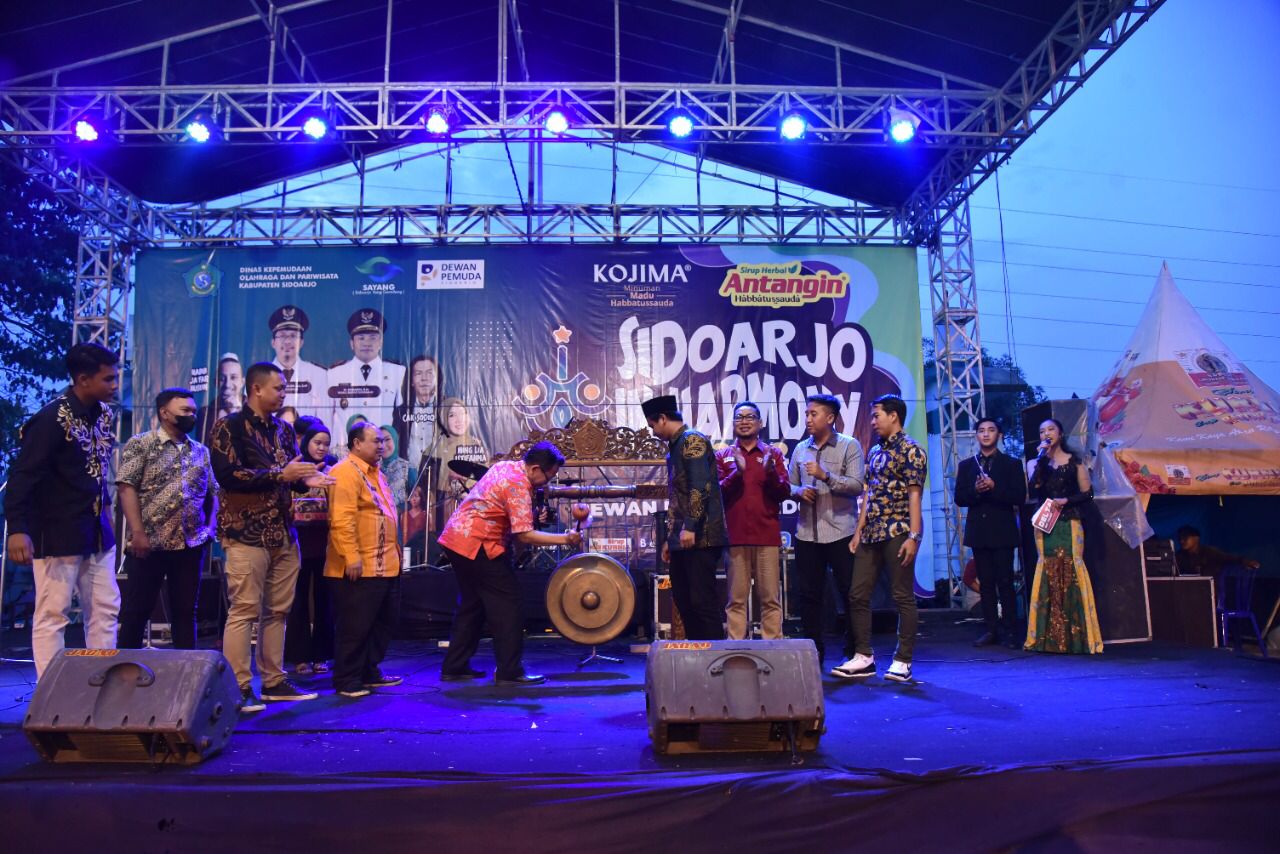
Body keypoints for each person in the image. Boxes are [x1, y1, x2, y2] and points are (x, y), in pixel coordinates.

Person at [209, 362, 334, 711]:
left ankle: (274, 681)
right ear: (256, 389)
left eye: (284, 388)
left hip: (283, 531)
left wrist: (305, 480)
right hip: (245, 532)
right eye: (278, 388)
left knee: (277, 611)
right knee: (244, 610)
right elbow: (228, 475)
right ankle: (238, 687)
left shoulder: (284, 429)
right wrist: (282, 474)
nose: (283, 394)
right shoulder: (229, 426)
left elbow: (288, 475)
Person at [4, 343, 121, 679]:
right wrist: (18, 528)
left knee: (105, 609)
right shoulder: (50, 419)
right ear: (83, 379)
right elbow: (23, 476)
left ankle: (101, 685)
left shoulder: (103, 414)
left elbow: (96, 470)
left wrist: (106, 513)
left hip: (96, 531)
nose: (115, 385)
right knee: (54, 613)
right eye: (108, 379)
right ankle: (50, 692)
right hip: (57, 530)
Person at [437, 442, 582, 685]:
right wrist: (566, 538)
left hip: (455, 540)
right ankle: (509, 672)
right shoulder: (518, 485)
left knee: (472, 604)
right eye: (548, 477)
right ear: (535, 469)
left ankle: (455, 666)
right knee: (508, 605)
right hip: (477, 545)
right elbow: (524, 535)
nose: (547, 483)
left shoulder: (505, 466)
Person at [116, 388, 217, 651]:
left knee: (186, 612)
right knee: (136, 611)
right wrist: (138, 532)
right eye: (185, 410)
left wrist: (211, 527)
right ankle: (125, 667)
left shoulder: (200, 451)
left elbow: (213, 492)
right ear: (165, 413)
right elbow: (126, 487)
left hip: (190, 544)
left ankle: (186, 670)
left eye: (193, 411)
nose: (192, 415)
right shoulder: (142, 443)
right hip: (149, 543)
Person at [837, 394, 926, 682]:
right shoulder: (875, 451)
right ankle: (864, 656)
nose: (873, 421)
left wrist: (914, 536)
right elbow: (868, 493)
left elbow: (915, 496)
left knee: (902, 596)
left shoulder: (912, 450)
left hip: (898, 530)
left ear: (893, 416)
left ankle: (903, 660)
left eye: (877, 415)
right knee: (857, 594)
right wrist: (858, 530)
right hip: (871, 532)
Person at [324, 422, 404, 699]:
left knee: (382, 622)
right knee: (354, 627)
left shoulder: (376, 473)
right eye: (375, 441)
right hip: (359, 566)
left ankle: (369, 671)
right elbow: (341, 519)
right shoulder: (345, 471)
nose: (381, 446)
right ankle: (347, 679)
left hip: (385, 564)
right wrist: (351, 557)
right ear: (357, 444)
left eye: (382, 441)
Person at [787, 393, 865, 664]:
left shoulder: (849, 445)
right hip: (807, 533)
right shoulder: (800, 449)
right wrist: (798, 491)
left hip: (841, 532)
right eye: (806, 414)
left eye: (813, 414)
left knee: (849, 593)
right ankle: (813, 651)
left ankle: (855, 650)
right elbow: (788, 484)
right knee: (809, 596)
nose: (808, 419)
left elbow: (857, 485)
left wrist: (826, 476)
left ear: (830, 418)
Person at [643, 395, 728, 641]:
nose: (653, 432)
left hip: (702, 535)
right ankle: (696, 652)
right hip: (683, 537)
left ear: (663, 418)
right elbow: (677, 498)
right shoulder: (675, 446)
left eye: (653, 425)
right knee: (683, 598)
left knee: (702, 600)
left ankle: (713, 655)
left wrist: (690, 526)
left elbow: (698, 488)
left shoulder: (692, 440)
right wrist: (671, 539)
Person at [1023, 418, 1103, 654]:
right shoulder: (1035, 463)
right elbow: (1033, 489)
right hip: (1045, 524)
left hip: (1069, 521)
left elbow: (1088, 494)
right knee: (1047, 568)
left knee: (1071, 568)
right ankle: (1045, 637)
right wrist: (1040, 459)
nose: (1046, 434)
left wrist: (1066, 500)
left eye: (1050, 429)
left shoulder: (1074, 462)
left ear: (1060, 434)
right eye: (1042, 431)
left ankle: (1078, 637)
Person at [715, 401, 791, 640]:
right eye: (739, 417)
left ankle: (773, 647)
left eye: (750, 417)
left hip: (766, 536)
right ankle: (735, 648)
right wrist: (736, 473)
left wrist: (770, 473)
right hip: (735, 537)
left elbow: (784, 492)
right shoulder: (723, 455)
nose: (744, 421)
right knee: (736, 600)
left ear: (760, 423)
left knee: (770, 598)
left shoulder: (773, 454)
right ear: (733, 423)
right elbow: (716, 494)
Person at [954, 417, 1027, 649]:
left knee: (1005, 582)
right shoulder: (967, 465)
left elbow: (1019, 496)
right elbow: (959, 498)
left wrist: (995, 488)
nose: (985, 434)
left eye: (991, 430)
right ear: (976, 435)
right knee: (985, 583)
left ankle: (1011, 631)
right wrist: (976, 490)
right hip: (979, 532)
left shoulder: (1011, 464)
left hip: (1003, 530)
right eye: (981, 430)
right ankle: (991, 629)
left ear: (999, 435)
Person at [285, 416, 337, 676]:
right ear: (306, 442)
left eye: (326, 443)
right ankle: (299, 656)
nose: (322, 448)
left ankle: (321, 655)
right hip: (298, 541)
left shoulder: (334, 468)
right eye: (317, 442)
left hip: (326, 542)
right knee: (298, 600)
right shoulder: (295, 468)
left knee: (324, 599)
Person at [327, 308, 405, 434]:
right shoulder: (334, 374)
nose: (367, 343)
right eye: (361, 338)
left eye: (373, 338)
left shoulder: (398, 372)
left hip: (381, 443)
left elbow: (403, 417)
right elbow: (328, 416)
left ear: (380, 342)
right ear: (352, 343)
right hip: (346, 444)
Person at [429, 398, 489, 531]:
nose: (459, 419)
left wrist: (466, 488)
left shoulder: (477, 446)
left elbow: (484, 478)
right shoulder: (434, 449)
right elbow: (429, 485)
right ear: (444, 420)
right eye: (452, 415)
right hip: (443, 510)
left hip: (472, 508)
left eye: (462, 413)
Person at [268, 304, 329, 419]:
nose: (287, 341)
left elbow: (325, 420)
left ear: (301, 342)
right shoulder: (260, 376)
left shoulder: (319, 375)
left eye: (293, 336)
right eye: (282, 336)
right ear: (273, 342)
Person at [393, 355, 440, 471]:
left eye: (429, 373)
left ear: (437, 378)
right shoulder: (401, 411)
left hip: (437, 473)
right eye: (418, 373)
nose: (424, 378)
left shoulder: (445, 408)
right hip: (408, 472)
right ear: (412, 381)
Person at [1175, 526, 1261, 580]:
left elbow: (1229, 558)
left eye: (1185, 538)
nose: (1181, 541)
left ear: (1196, 538)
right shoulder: (1179, 556)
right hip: (1187, 593)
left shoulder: (1209, 552)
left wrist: (1246, 561)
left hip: (1210, 593)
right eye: (1180, 538)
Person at [199, 353, 243, 441]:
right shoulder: (205, 413)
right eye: (222, 379)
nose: (227, 384)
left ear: (242, 382)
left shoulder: (252, 410)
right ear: (216, 382)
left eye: (233, 377)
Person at [378, 425, 412, 509]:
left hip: (400, 516)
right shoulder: (373, 468)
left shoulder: (408, 469)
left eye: (387, 439)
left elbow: (417, 502)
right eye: (379, 441)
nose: (383, 445)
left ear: (395, 440)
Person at [403, 485, 429, 566]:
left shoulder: (426, 515)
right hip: (407, 550)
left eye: (416, 496)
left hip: (420, 551)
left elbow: (429, 536)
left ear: (421, 498)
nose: (413, 499)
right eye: (411, 496)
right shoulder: (404, 516)